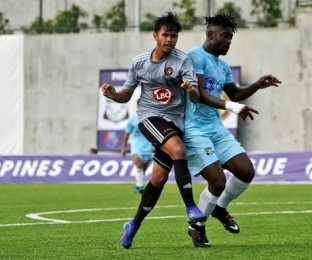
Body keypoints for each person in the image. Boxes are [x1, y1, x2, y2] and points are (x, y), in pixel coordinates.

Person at [101, 11, 209, 249]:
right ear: (155, 36)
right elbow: (126, 95)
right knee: (179, 150)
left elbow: (195, 95)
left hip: (175, 122)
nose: (170, 40)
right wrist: (113, 95)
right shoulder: (139, 62)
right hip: (150, 117)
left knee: (157, 180)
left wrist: (190, 88)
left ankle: (133, 226)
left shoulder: (183, 61)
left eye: (174, 36)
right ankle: (191, 207)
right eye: (165, 35)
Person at [183, 13, 281, 237]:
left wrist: (257, 85)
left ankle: (220, 208)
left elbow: (235, 93)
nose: (228, 41)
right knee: (217, 182)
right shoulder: (195, 57)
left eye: (230, 38)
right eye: (224, 36)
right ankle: (197, 226)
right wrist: (233, 107)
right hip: (195, 129)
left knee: (246, 171)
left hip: (215, 128)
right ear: (210, 34)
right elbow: (198, 94)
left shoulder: (223, 66)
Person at [121, 113, 153, 194]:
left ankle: (139, 186)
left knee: (143, 170)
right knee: (139, 166)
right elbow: (127, 133)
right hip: (136, 148)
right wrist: (123, 148)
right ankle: (140, 187)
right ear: (138, 108)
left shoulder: (151, 118)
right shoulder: (133, 119)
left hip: (148, 148)